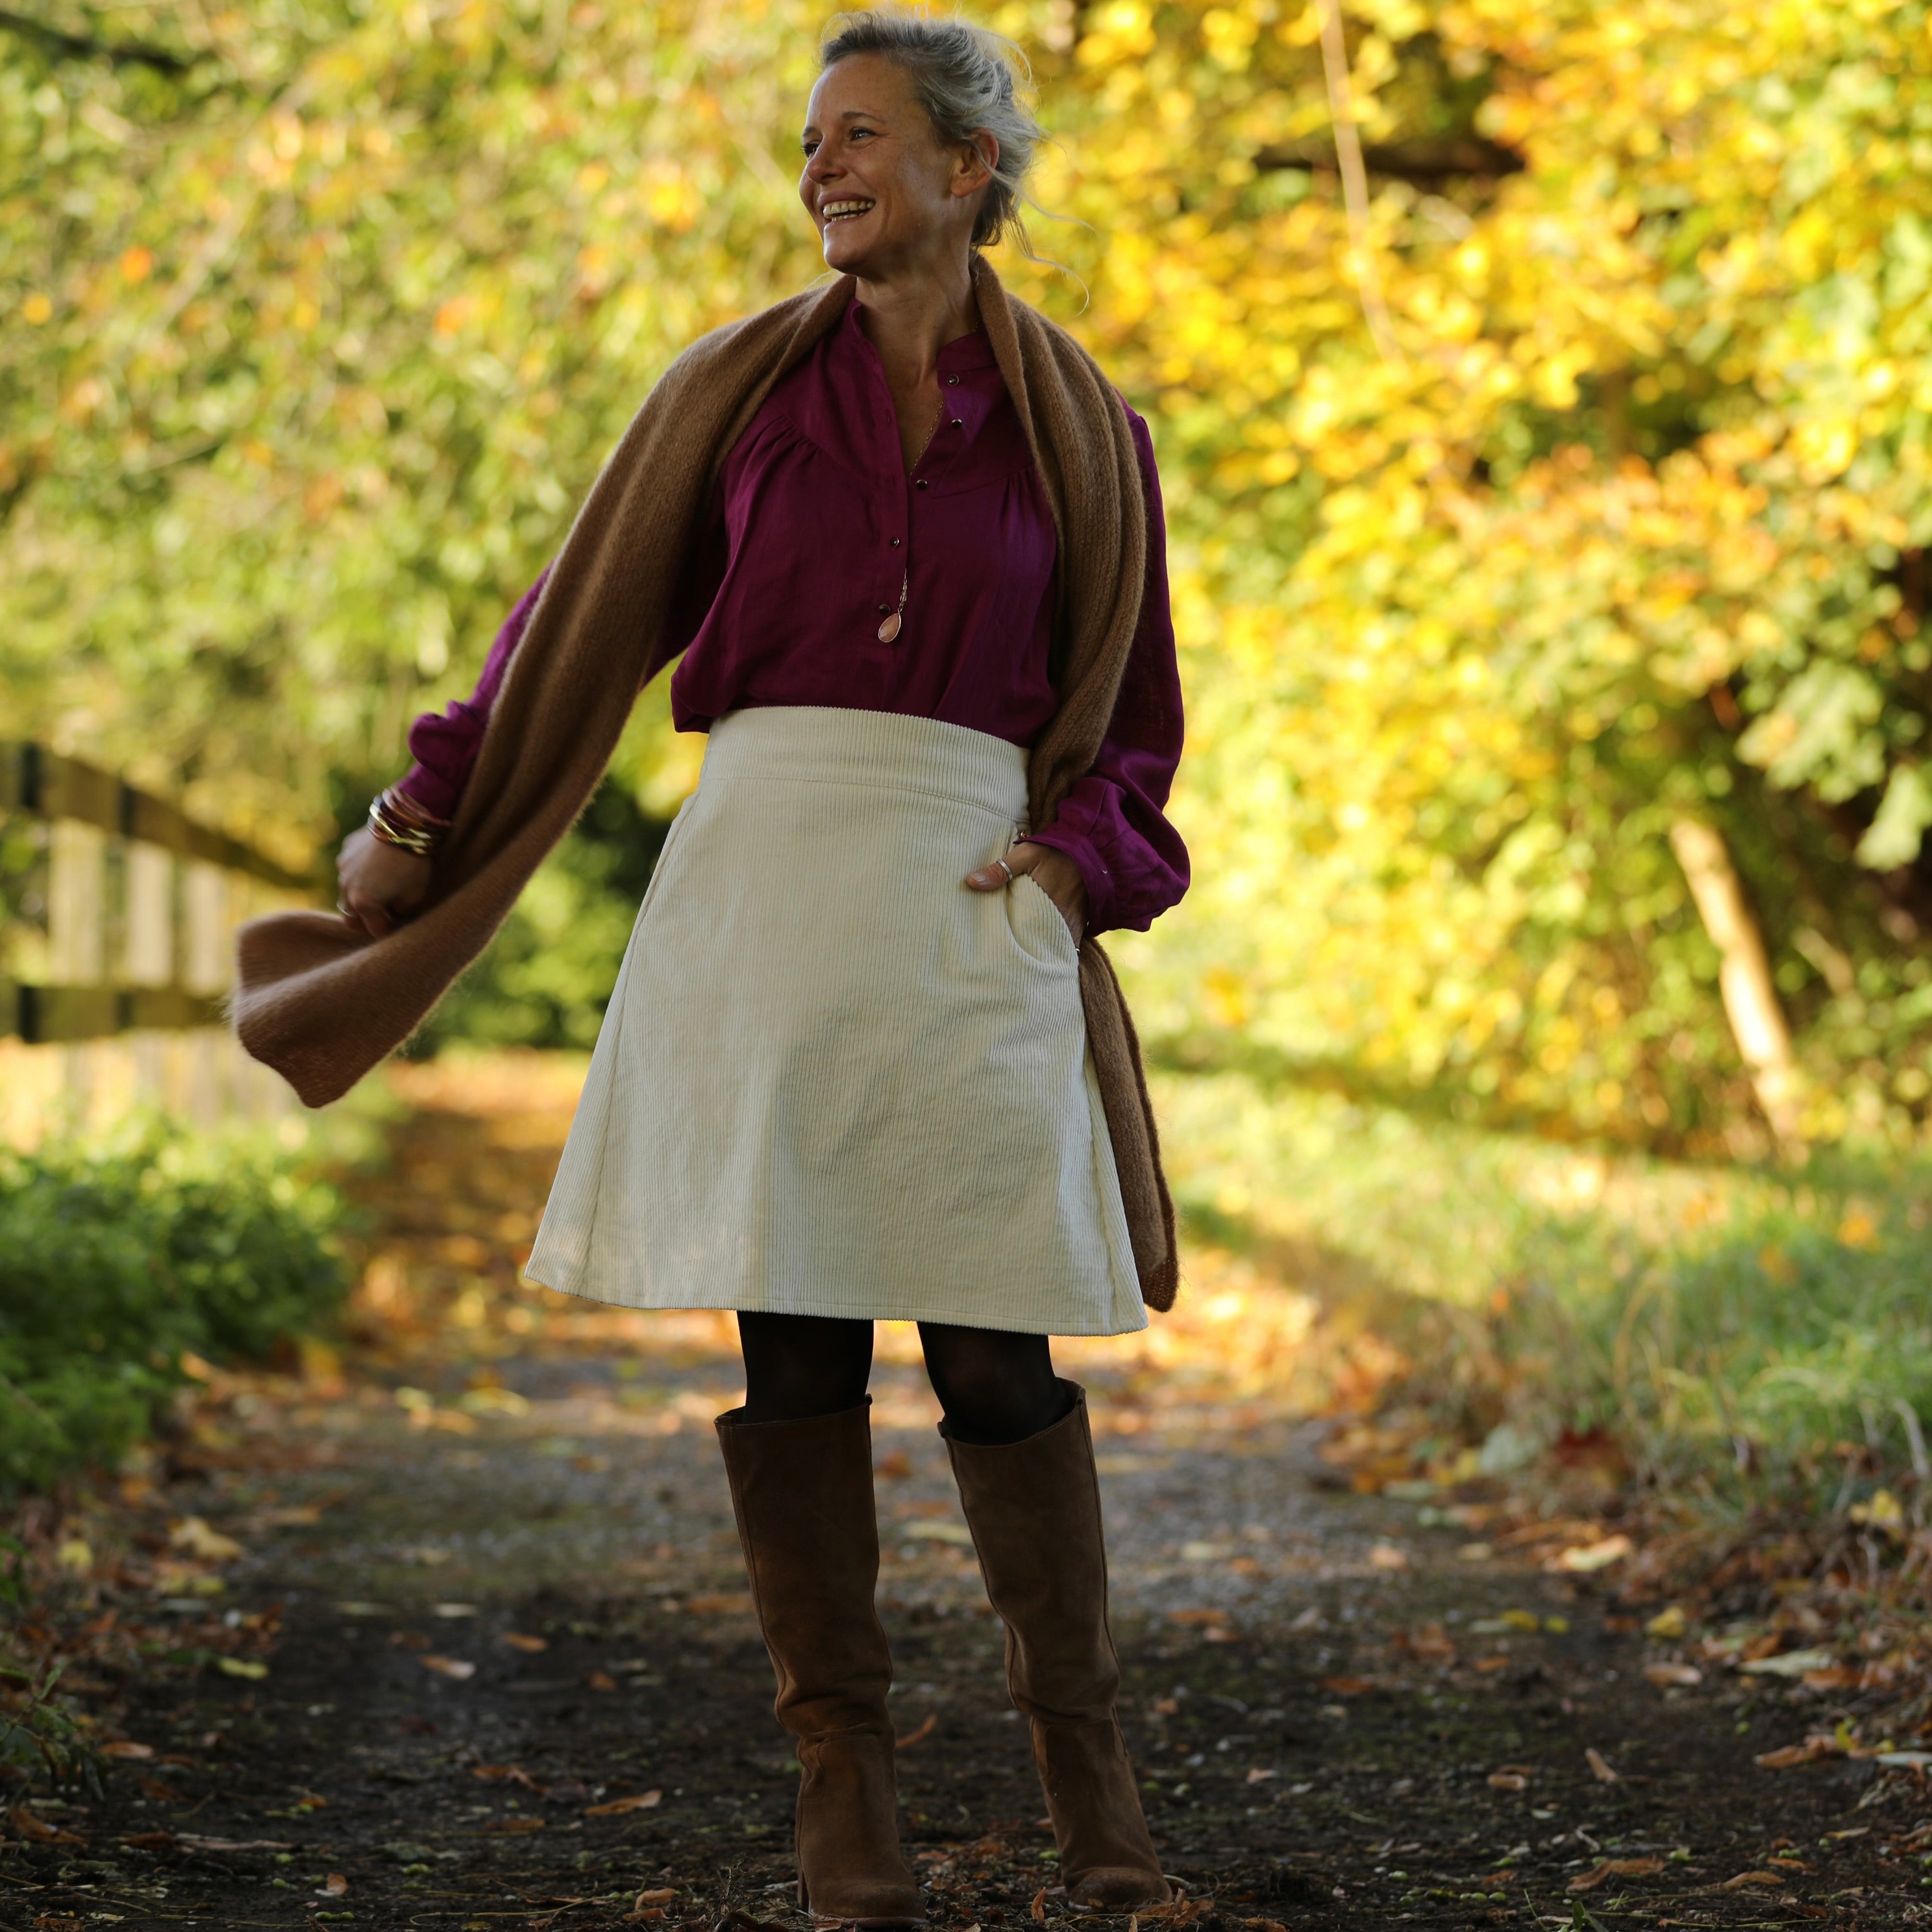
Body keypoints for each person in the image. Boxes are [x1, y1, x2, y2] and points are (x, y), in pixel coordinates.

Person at [312, 13, 1187, 1925]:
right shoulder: (735, 396)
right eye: (811, 142)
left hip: (967, 898)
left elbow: (1133, 724)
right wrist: (424, 808)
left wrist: (1073, 855)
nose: (821, 168)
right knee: (793, 1340)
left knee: (997, 1351)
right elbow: (570, 626)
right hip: (767, 887)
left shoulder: (1083, 431)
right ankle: (842, 1787)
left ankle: (1090, 1779)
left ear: (967, 166)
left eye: (860, 135)